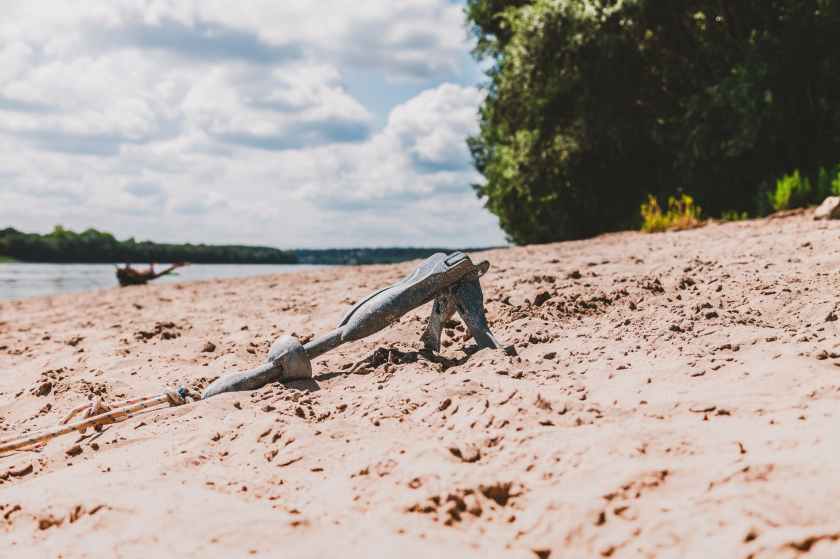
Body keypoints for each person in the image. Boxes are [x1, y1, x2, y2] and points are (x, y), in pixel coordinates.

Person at [115, 261, 186, 287]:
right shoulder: (131, 275)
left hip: (147, 275)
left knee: (164, 272)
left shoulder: (133, 276)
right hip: (146, 275)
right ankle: (176, 266)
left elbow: (141, 279)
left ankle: (176, 266)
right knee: (164, 272)